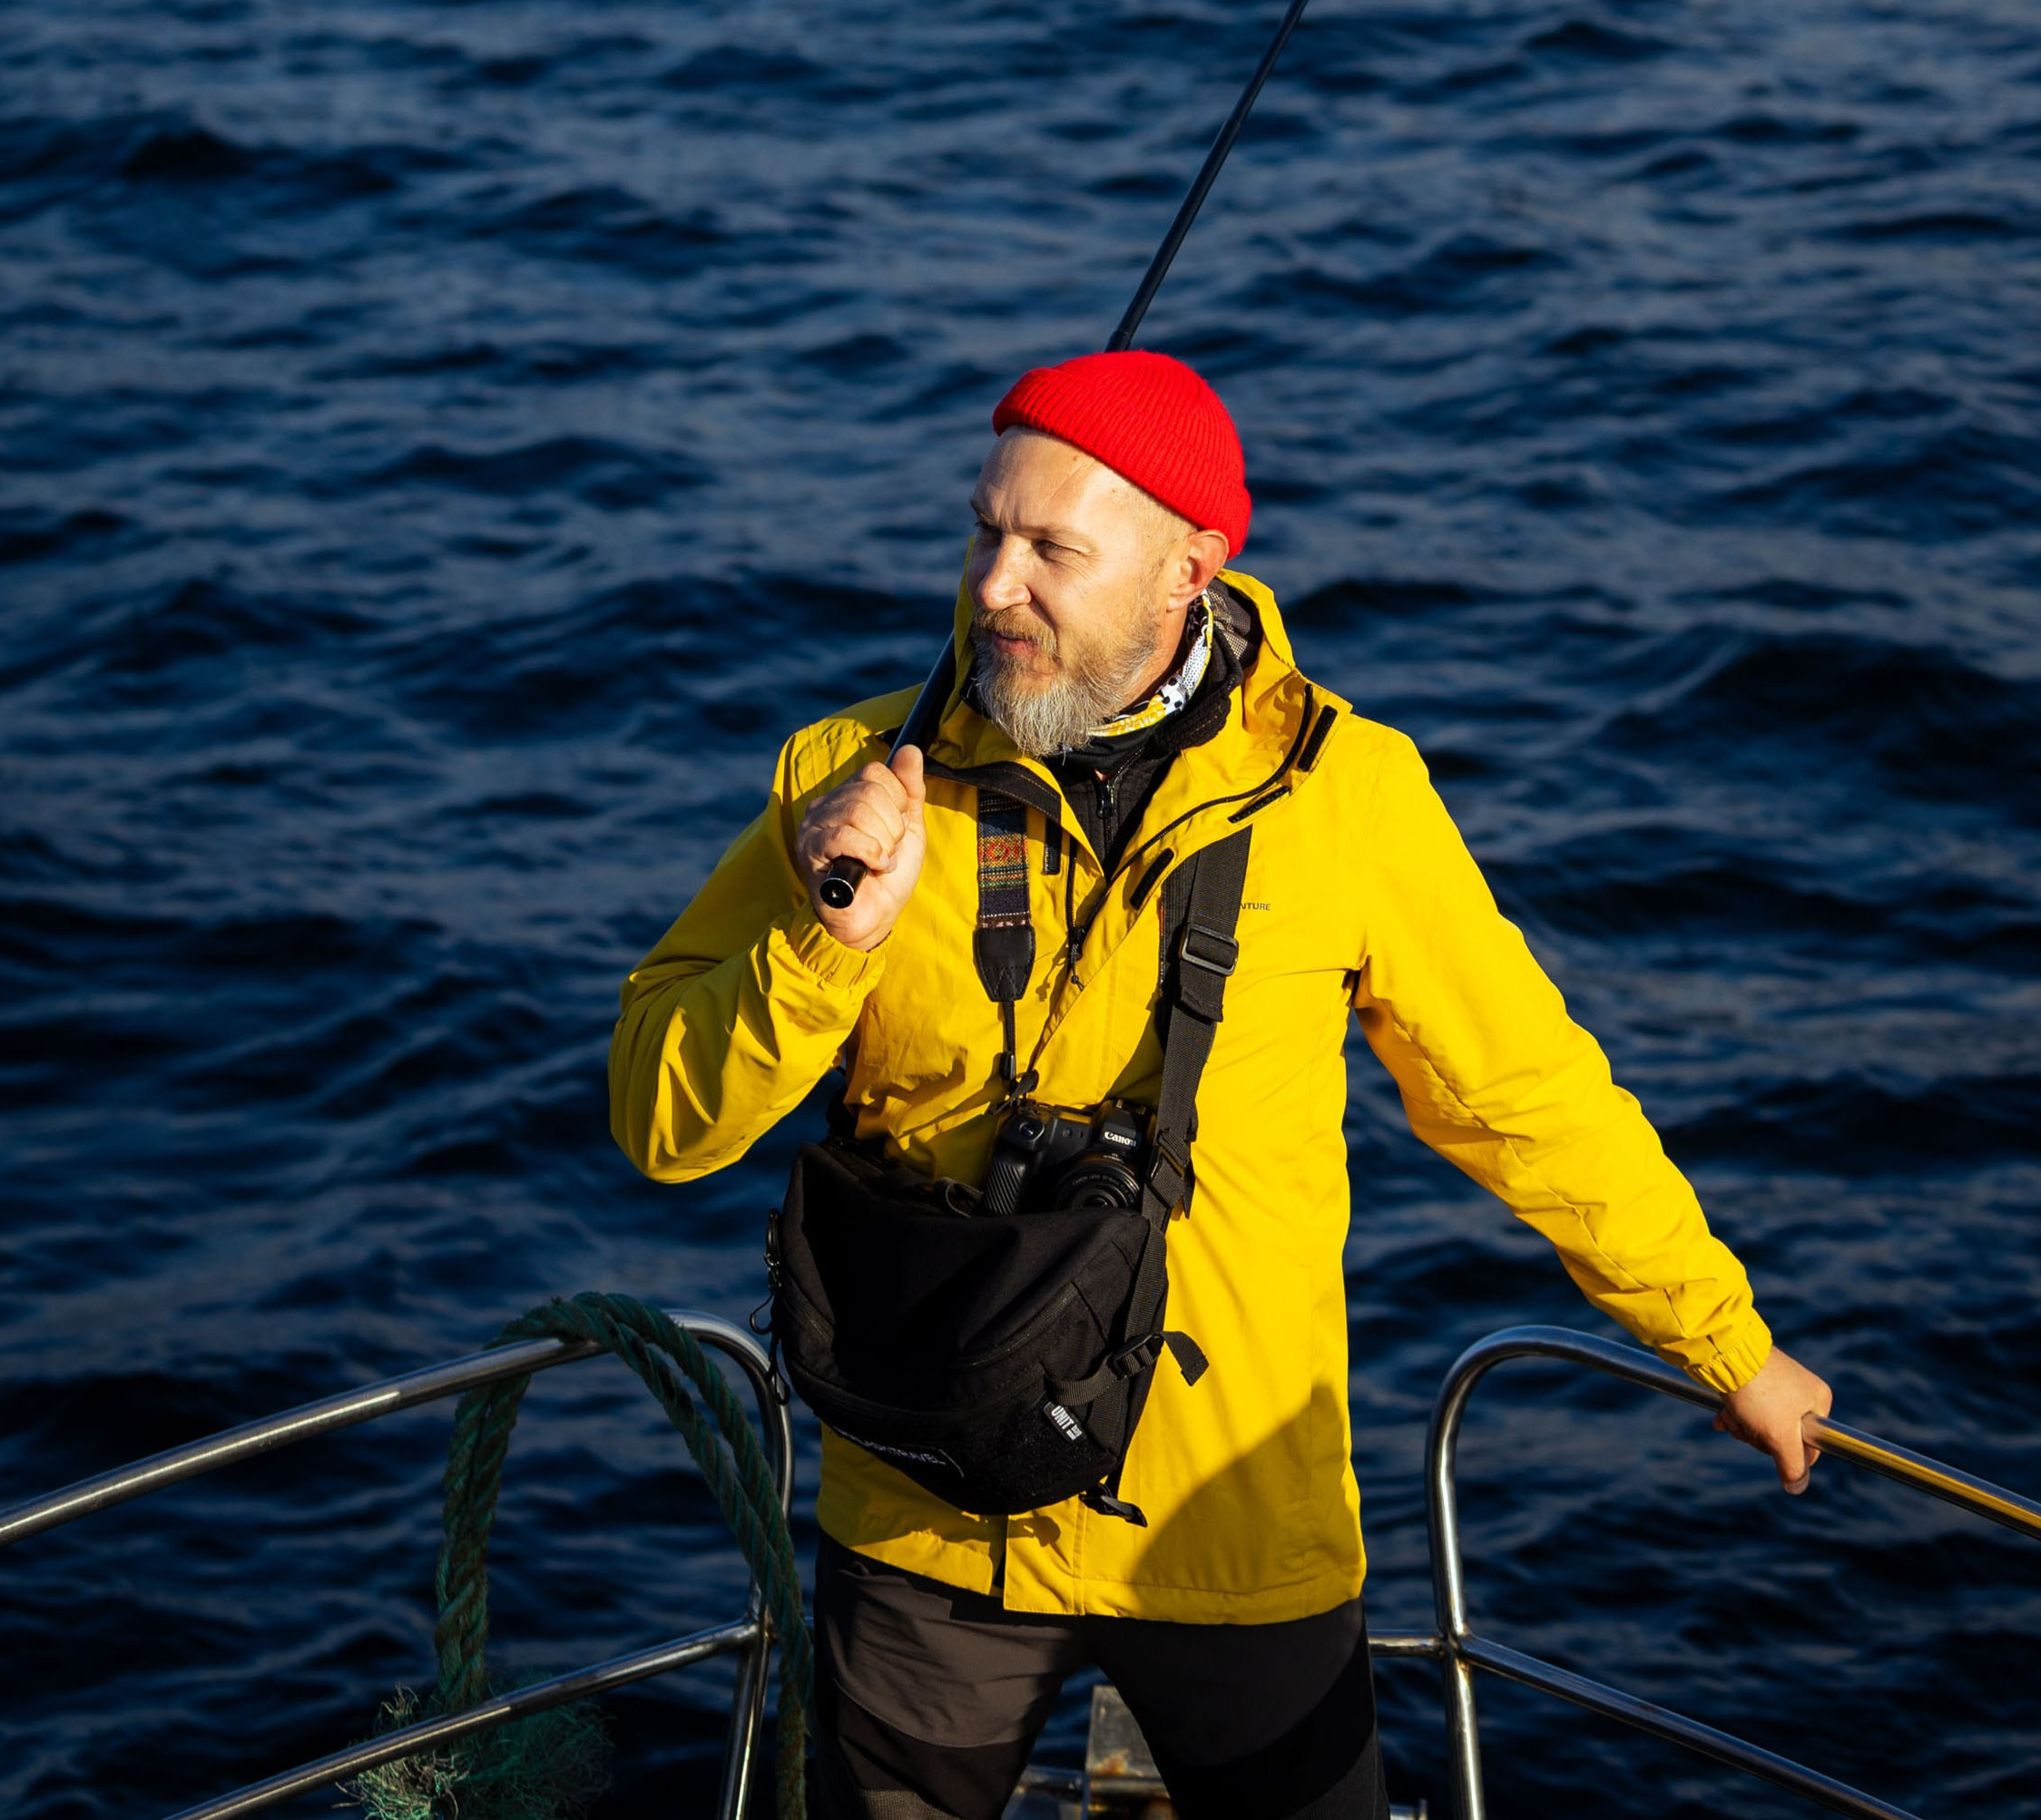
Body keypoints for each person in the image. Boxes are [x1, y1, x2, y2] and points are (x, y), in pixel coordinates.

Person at [611, 348, 1830, 1820]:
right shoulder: (855, 783)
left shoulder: (1349, 799)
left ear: (1190, 569)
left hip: (1230, 1522)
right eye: (984, 530)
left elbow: (1527, 1099)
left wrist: (1724, 1343)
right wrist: (826, 944)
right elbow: (663, 1123)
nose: (995, 584)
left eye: (1052, 548)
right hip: (930, 1513)